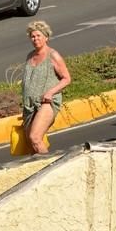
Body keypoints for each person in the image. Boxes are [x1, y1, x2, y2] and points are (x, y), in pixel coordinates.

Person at [22, 20, 71, 154]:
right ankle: (40, 168)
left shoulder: (53, 55)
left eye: (38, 35)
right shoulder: (30, 56)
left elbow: (67, 78)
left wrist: (50, 92)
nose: (35, 38)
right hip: (29, 105)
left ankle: (50, 166)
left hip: (47, 103)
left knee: (35, 138)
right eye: (33, 36)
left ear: (46, 37)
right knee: (30, 143)